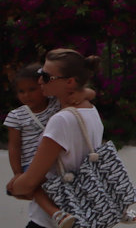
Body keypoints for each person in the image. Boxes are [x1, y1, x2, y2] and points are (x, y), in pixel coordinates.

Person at [7, 50, 103, 228]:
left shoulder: (60, 120)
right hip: (85, 211)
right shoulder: (91, 111)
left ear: (70, 82)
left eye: (45, 76)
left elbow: (29, 182)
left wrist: (13, 187)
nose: (39, 80)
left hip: (50, 220)